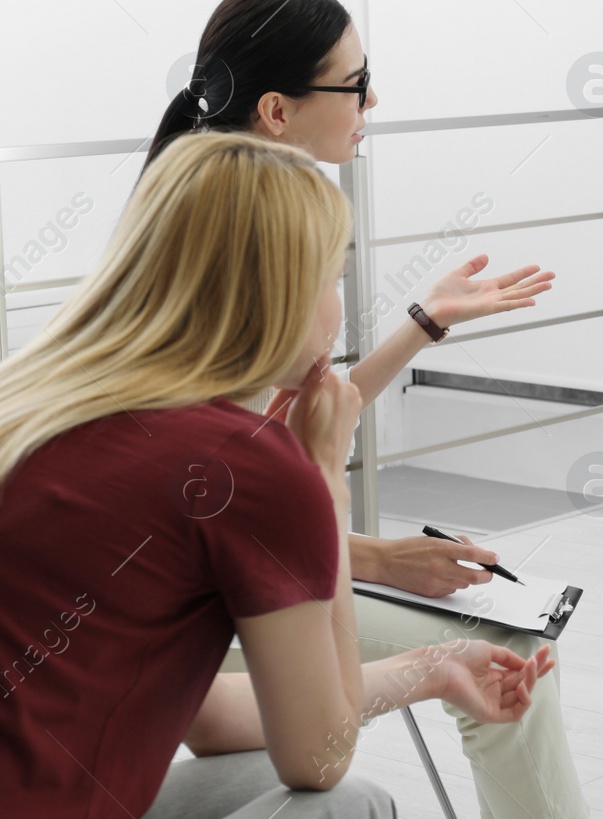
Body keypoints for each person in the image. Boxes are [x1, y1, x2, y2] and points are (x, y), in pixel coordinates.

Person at [0, 133, 553, 818]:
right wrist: (324, 481)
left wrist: (433, 668)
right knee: (348, 806)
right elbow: (319, 757)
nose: (338, 306)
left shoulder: (35, 406)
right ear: (277, 292)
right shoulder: (244, 467)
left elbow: (202, 718)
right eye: (333, 279)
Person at [145, 0, 587, 819]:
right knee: (500, 654)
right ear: (276, 109)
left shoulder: (231, 216)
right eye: (354, 81)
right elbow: (233, 498)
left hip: (227, 574)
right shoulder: (238, 239)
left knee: (481, 660)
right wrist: (351, 524)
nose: (372, 99)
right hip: (228, 592)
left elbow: (301, 415)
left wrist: (422, 325)